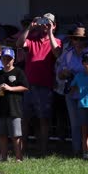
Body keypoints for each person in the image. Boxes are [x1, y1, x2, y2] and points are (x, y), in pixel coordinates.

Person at [16, 13, 62, 155]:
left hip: (45, 85)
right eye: (43, 22)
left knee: (44, 119)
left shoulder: (57, 41)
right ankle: (22, 151)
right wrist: (30, 27)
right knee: (25, 119)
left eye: (48, 23)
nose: (45, 25)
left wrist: (49, 32)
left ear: (54, 26)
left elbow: (57, 53)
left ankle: (43, 150)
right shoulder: (32, 38)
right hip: (28, 85)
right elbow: (19, 44)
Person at [56, 25, 88, 156]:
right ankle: (78, 151)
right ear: (72, 40)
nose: (78, 41)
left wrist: (84, 74)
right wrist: (64, 73)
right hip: (71, 92)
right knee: (76, 124)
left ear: (85, 40)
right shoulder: (68, 54)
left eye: (81, 39)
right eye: (76, 38)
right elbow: (59, 73)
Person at [0, 48, 29, 161]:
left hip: (14, 108)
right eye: (4, 58)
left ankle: (18, 158)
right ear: (1, 59)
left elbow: (25, 87)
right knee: (2, 135)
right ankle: (4, 158)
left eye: (9, 59)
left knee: (16, 135)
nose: (6, 61)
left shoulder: (18, 72)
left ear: (13, 60)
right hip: (0, 108)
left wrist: (10, 88)